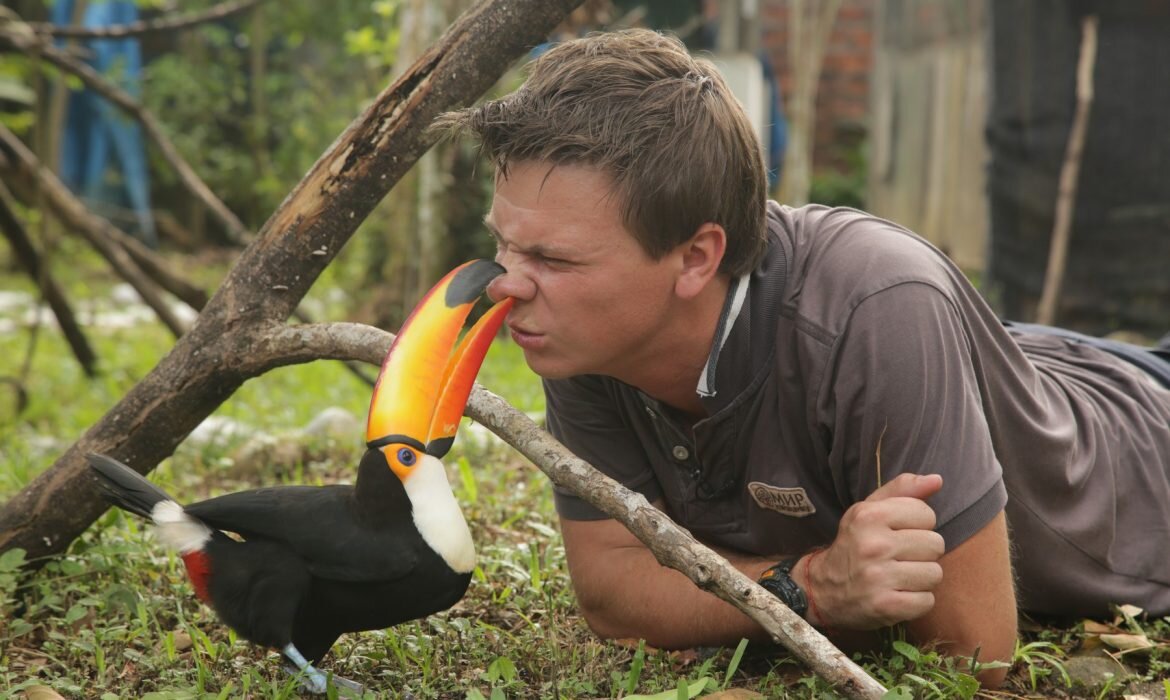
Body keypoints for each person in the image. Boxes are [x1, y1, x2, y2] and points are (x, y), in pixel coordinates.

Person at [432, 28, 1170, 688]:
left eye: (552, 257)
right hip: (1022, 363)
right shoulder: (582, 333)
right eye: (505, 243)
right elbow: (612, 592)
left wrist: (733, 604)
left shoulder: (878, 303)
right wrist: (811, 586)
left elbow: (972, 654)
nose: (505, 282)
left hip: (1143, 435)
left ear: (695, 257)